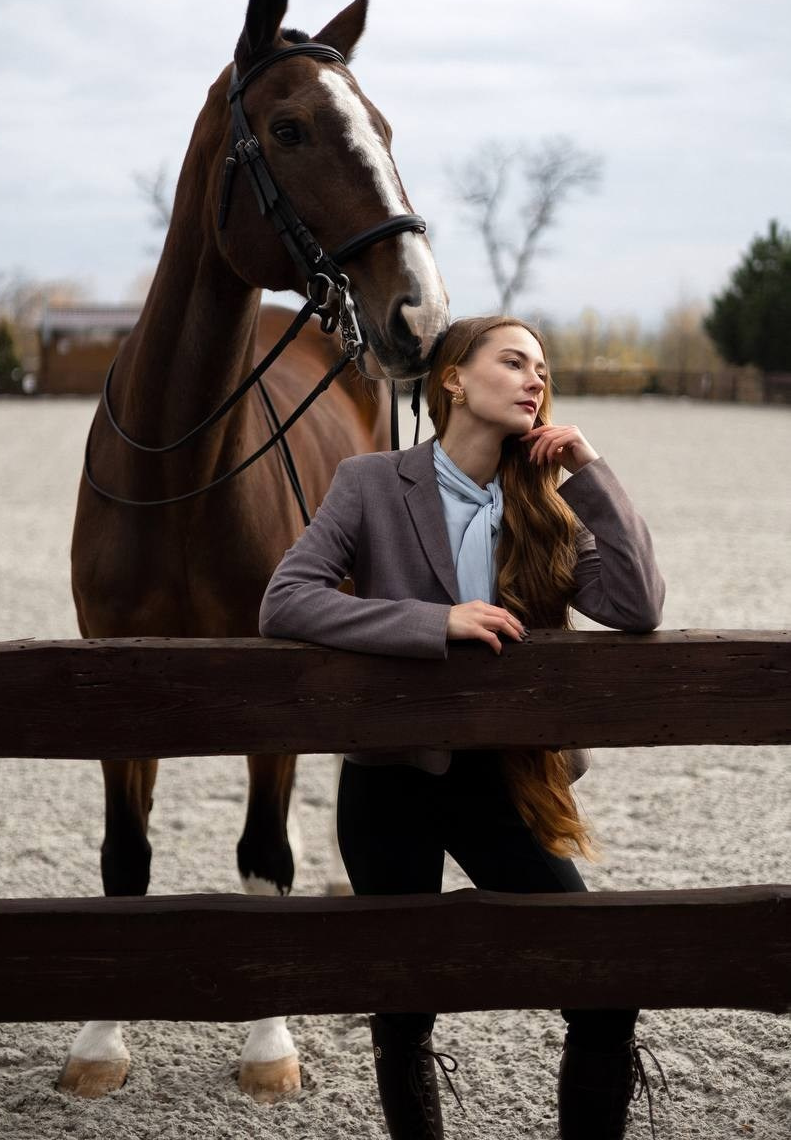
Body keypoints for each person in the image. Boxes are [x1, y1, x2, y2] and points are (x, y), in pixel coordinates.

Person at [259, 315, 668, 1140]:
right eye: (512, 360)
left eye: (541, 369)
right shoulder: (370, 481)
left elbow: (636, 605)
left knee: (602, 985)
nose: (533, 378)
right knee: (403, 1007)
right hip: (388, 783)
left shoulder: (542, 504)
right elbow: (285, 599)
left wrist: (587, 470)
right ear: (452, 379)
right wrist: (430, 622)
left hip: (506, 782)